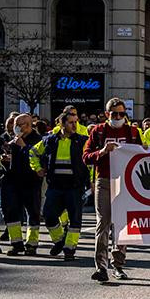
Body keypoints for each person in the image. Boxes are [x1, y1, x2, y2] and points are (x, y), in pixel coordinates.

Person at [82, 98, 145, 282]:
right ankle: (101, 266)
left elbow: (141, 154)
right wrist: (101, 152)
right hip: (104, 181)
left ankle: (118, 265)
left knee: (122, 224)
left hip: (125, 182)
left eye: (121, 114)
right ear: (107, 114)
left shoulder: (133, 132)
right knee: (103, 223)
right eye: (114, 114)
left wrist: (145, 150)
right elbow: (86, 157)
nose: (118, 117)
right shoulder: (98, 131)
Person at [29, 110, 89, 261]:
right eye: (71, 122)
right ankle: (60, 241)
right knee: (49, 216)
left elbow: (92, 159)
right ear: (62, 124)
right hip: (55, 186)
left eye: (76, 122)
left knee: (75, 220)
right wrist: (37, 168)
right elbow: (33, 152)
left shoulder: (83, 140)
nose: (75, 125)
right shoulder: (49, 140)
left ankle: (70, 249)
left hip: (75, 187)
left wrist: (91, 181)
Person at [1, 114, 43, 256]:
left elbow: (39, 159)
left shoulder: (38, 139)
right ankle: (16, 243)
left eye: (20, 125)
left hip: (31, 181)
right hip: (13, 180)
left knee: (33, 213)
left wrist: (24, 147)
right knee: (12, 211)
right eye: (15, 125)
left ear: (29, 125)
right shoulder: (13, 140)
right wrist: (6, 158)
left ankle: (31, 244)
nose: (16, 128)